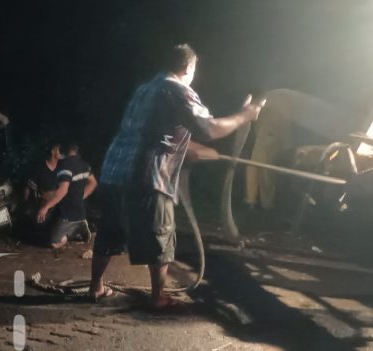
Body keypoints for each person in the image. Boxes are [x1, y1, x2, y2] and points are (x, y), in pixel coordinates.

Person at [89, 44, 265, 307]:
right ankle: (158, 297)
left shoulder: (145, 89)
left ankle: (95, 288)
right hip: (148, 176)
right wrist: (245, 115)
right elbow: (209, 127)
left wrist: (191, 149)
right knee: (161, 236)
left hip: (115, 173)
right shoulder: (177, 89)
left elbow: (152, 133)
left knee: (109, 233)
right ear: (188, 67)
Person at [37, 144, 97, 248]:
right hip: (81, 212)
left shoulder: (65, 166)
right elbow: (93, 183)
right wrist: (81, 196)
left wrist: (45, 208)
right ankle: (82, 230)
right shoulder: (84, 164)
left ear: (63, 151)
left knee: (53, 243)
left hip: (67, 214)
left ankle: (70, 235)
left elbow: (63, 190)